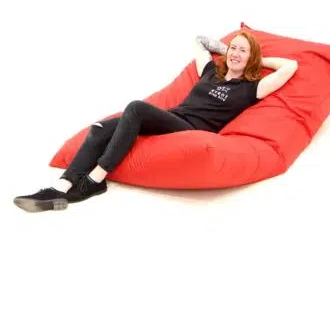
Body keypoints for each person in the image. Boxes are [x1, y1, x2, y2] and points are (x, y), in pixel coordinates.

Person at [13, 32, 298, 212]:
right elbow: (199, 40)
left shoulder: (252, 87)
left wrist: (258, 59)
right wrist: (225, 51)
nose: (235, 54)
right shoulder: (211, 71)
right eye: (233, 48)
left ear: (251, 58)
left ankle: (94, 180)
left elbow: (290, 66)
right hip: (173, 117)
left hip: (192, 129)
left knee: (136, 108)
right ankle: (61, 186)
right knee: (99, 128)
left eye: (242, 51)